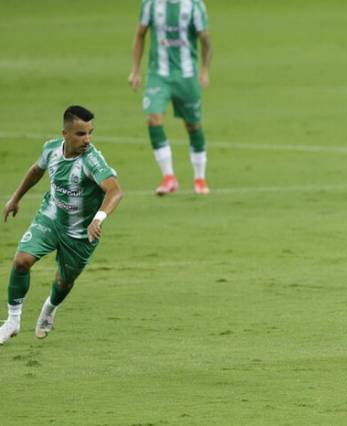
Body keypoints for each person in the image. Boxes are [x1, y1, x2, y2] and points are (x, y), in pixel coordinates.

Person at [0, 106, 124, 345]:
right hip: (50, 217)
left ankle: (49, 307)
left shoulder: (92, 160)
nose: (87, 139)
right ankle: (12, 321)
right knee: (21, 261)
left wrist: (98, 219)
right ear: (65, 134)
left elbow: (116, 191)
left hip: (81, 233)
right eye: (80, 134)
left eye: (90, 133)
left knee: (63, 283)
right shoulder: (51, 149)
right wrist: (15, 198)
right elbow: (37, 170)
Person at [128, 0, 213, 195]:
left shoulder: (194, 5)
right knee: (153, 117)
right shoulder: (150, 4)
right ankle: (169, 177)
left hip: (187, 76)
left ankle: (199, 178)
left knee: (193, 125)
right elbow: (140, 34)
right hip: (159, 75)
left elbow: (205, 39)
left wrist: (205, 69)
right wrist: (135, 71)